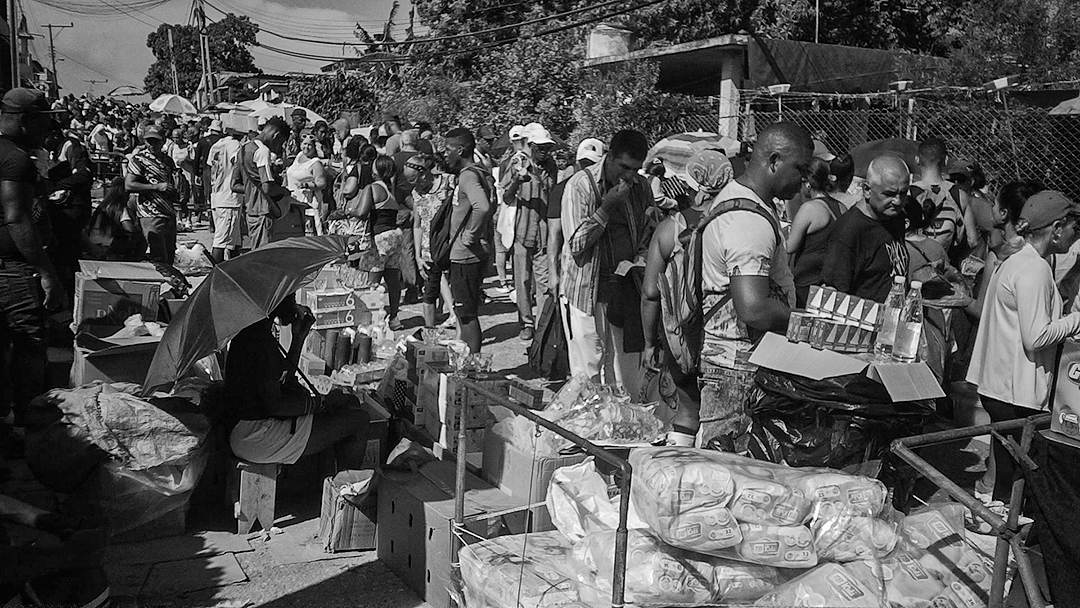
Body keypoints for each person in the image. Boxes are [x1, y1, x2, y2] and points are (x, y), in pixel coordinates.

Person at [697, 122, 810, 449]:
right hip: (738, 376)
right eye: (799, 169)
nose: (804, 180)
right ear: (774, 161)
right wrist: (807, 324)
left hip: (738, 369)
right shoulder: (749, 221)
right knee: (728, 479)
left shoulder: (745, 202)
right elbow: (754, 308)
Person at [967, 190, 1080, 510]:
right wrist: (1075, 321)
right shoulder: (1034, 269)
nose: (1075, 236)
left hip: (1003, 388)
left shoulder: (1015, 261)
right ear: (1057, 228)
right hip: (1015, 394)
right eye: (1074, 228)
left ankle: (1002, 539)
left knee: (1009, 477)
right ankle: (1006, 545)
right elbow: (1036, 336)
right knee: (1017, 479)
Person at [640, 150, 734, 446]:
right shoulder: (738, 221)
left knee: (688, 410)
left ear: (692, 182)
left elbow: (651, 292)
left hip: (683, 337)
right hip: (729, 339)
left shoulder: (672, 228)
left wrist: (648, 344)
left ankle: (682, 481)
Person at [224, 295, 370, 470]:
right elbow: (276, 405)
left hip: (251, 429)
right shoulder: (259, 341)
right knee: (359, 421)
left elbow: (283, 378)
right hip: (254, 436)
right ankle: (345, 489)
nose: (295, 304)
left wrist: (298, 338)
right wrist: (321, 403)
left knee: (349, 405)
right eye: (290, 298)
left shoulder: (256, 332)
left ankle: (332, 481)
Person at [560, 129, 653, 397]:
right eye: (624, 167)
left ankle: (615, 430)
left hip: (624, 290)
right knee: (588, 371)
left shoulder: (641, 187)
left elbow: (648, 230)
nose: (629, 176)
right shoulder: (580, 186)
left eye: (635, 169)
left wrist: (642, 257)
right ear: (609, 157)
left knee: (622, 374)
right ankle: (584, 430)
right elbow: (576, 245)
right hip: (587, 290)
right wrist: (607, 207)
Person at [0, 89, 65, 437]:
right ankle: (28, 426)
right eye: (43, 121)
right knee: (28, 346)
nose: (49, 128)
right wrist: (46, 272)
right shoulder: (15, 160)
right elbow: (16, 218)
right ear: (24, 121)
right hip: (11, 271)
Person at [822, 155, 911, 302]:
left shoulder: (895, 217)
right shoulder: (849, 231)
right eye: (889, 194)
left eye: (903, 193)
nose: (897, 201)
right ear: (867, 190)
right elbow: (831, 293)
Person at [502, 123, 557, 341]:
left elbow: (553, 196)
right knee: (522, 281)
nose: (545, 152)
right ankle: (526, 322)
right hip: (522, 230)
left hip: (543, 232)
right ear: (531, 146)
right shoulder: (517, 162)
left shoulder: (550, 166)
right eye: (541, 148)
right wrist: (517, 180)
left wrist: (539, 178)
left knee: (543, 283)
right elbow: (506, 197)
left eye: (547, 148)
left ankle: (542, 326)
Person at [443, 127, 494, 354]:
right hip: (468, 254)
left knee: (467, 315)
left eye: (448, 149)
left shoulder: (469, 175)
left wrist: (469, 236)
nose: (444, 154)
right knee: (466, 312)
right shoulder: (477, 172)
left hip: (465, 255)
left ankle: (474, 365)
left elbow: (482, 206)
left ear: (461, 149)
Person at [341, 156, 407, 329]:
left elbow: (362, 212)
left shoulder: (373, 188)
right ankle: (394, 318)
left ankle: (370, 320)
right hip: (395, 236)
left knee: (372, 280)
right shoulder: (391, 190)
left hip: (380, 238)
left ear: (376, 170)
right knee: (393, 279)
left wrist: (348, 212)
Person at [547, 138, 604, 298]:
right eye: (584, 163)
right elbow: (554, 234)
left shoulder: (608, 190)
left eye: (592, 163)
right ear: (577, 163)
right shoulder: (562, 189)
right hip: (572, 272)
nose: (587, 168)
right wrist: (553, 273)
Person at [787, 157, 847, 307]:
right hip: (830, 284)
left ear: (808, 184)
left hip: (806, 284)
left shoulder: (810, 209)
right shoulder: (842, 208)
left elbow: (790, 247)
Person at [406, 153, 457, 329]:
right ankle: (430, 335)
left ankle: (459, 331)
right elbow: (417, 225)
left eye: (416, 180)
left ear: (424, 172)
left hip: (451, 245)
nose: (415, 185)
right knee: (429, 294)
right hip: (429, 251)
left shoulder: (449, 182)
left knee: (459, 291)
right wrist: (418, 256)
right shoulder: (416, 194)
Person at [44, 125, 93, 305]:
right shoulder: (53, 152)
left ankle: (75, 299)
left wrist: (56, 184)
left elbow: (83, 176)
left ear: (54, 135)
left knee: (70, 255)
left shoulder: (72, 147)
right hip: (60, 209)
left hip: (73, 209)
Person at [910, 137, 978, 260]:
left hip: (914, 263)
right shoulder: (959, 195)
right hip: (945, 265)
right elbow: (973, 241)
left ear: (917, 160)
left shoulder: (909, 194)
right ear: (945, 161)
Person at [125, 123, 178, 264]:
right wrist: (156, 186)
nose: (152, 145)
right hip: (150, 213)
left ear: (163, 141)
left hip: (168, 212)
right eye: (149, 141)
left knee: (169, 254)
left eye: (156, 141)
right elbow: (129, 184)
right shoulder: (139, 159)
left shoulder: (167, 160)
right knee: (158, 255)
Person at [237, 118, 291, 249]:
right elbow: (267, 187)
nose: (278, 147)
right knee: (263, 255)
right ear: (276, 135)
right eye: (280, 142)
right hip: (263, 211)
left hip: (250, 210)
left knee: (255, 251)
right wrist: (283, 191)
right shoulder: (262, 151)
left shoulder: (243, 150)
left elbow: (234, 185)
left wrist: (252, 191)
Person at [492, 125, 526, 295]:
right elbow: (503, 188)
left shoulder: (507, 162)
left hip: (507, 207)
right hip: (508, 207)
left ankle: (508, 280)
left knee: (506, 247)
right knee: (505, 247)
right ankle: (508, 281)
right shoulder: (511, 162)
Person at [207, 125, 243, 263]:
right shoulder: (235, 145)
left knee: (233, 239)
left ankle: (233, 269)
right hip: (229, 197)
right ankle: (216, 271)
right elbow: (237, 162)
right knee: (221, 240)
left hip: (217, 194)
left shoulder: (217, 145)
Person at [85, 177, 144, 261]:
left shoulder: (102, 205)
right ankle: (134, 260)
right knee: (140, 237)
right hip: (109, 242)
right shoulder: (119, 208)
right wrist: (138, 226)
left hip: (93, 239)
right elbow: (129, 229)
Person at [285, 133, 329, 236]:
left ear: (314, 147)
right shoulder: (299, 156)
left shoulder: (316, 163)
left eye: (310, 145)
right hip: (293, 200)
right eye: (304, 144)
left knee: (309, 232)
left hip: (308, 203)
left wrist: (307, 185)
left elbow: (322, 183)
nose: (307, 147)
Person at [194, 119, 223, 222]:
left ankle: (211, 219)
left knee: (209, 194)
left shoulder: (203, 141)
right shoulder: (224, 140)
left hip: (207, 169)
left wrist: (196, 172)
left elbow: (196, 158)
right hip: (221, 170)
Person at [163, 127, 194, 224]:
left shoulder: (188, 146)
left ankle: (189, 219)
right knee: (177, 195)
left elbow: (194, 159)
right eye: (174, 138)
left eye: (177, 137)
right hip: (176, 174)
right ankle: (179, 218)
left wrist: (185, 160)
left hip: (187, 173)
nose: (175, 140)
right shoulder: (172, 146)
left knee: (189, 195)